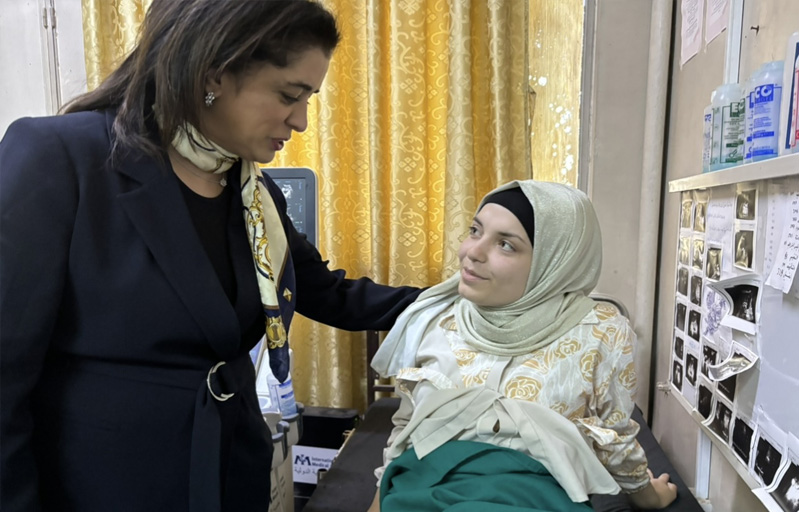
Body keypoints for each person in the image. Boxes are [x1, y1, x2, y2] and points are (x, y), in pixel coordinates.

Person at [0, 2, 423, 511]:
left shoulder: (249, 192)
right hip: (104, 484)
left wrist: (462, 301)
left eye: (309, 99)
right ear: (212, 73)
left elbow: (329, 294)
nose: (302, 121)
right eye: (290, 95)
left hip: (229, 469)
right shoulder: (62, 158)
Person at [367, 181, 678, 511]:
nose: (472, 252)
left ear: (553, 262)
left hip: (531, 499)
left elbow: (613, 437)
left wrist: (650, 497)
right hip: (422, 493)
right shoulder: (435, 318)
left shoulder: (599, 331)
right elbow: (406, 429)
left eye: (505, 245)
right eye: (475, 230)